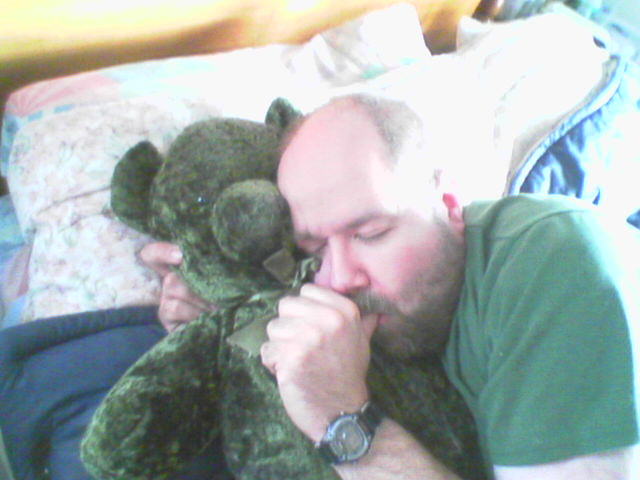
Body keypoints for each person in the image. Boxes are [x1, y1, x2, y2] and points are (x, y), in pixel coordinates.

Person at [141, 93, 639, 479]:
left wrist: (342, 419)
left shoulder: (559, 262)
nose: (340, 279)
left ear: (450, 204)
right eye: (314, 250)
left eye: (371, 233)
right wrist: (218, 306)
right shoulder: (362, 294)